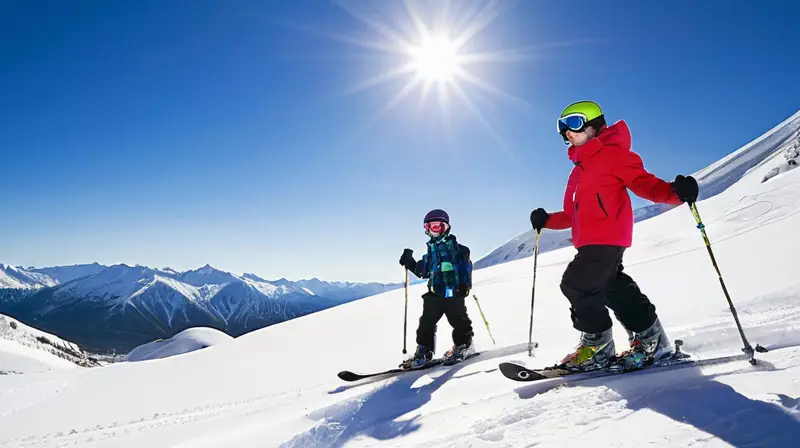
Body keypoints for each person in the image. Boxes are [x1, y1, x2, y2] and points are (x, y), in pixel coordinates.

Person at [529, 100, 699, 372]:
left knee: (577, 283)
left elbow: (645, 184)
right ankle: (653, 341)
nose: (567, 132)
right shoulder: (578, 171)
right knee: (612, 288)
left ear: (596, 124)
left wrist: (676, 192)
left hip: (607, 236)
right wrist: (547, 220)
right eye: (562, 129)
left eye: (573, 123)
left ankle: (597, 347)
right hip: (590, 240)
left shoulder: (613, 155)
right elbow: (572, 214)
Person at [399, 209, 476, 369]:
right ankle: (425, 350)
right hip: (434, 293)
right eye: (432, 226)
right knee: (425, 323)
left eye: (439, 226)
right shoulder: (430, 252)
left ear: (446, 227)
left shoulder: (458, 249)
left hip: (453, 292)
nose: (436, 230)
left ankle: (464, 345)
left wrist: (464, 286)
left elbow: (466, 268)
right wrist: (410, 262)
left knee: (458, 320)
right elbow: (423, 271)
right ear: (426, 229)